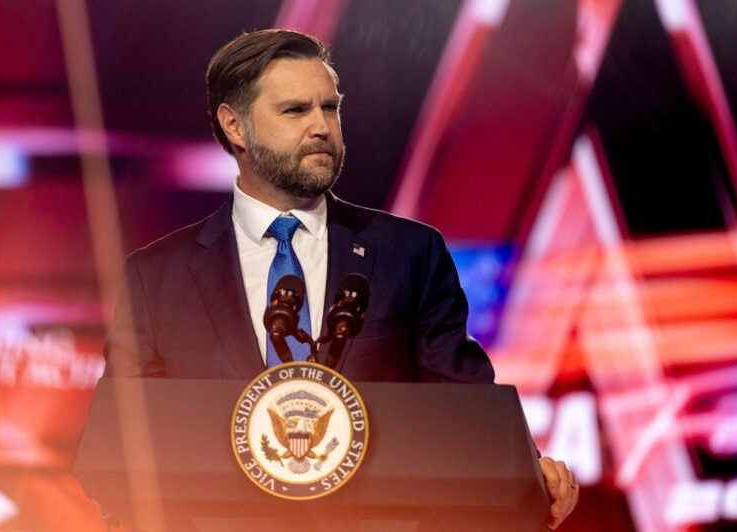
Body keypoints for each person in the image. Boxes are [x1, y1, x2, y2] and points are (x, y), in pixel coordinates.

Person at [102, 29, 578, 529]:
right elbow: (121, 444)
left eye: (329, 108)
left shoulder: (409, 254)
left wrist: (528, 478)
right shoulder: (157, 278)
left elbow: (466, 409)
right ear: (234, 125)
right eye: (295, 110)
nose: (322, 127)